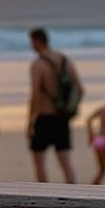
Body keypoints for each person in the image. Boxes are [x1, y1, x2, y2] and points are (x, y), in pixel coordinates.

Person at [26, 28, 81, 184]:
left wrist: (30, 122)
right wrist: (71, 108)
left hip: (44, 117)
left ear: (36, 41)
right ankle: (74, 196)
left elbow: (35, 95)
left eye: (31, 42)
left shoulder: (38, 64)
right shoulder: (65, 60)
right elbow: (80, 89)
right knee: (66, 163)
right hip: (62, 117)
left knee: (40, 163)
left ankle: (43, 196)